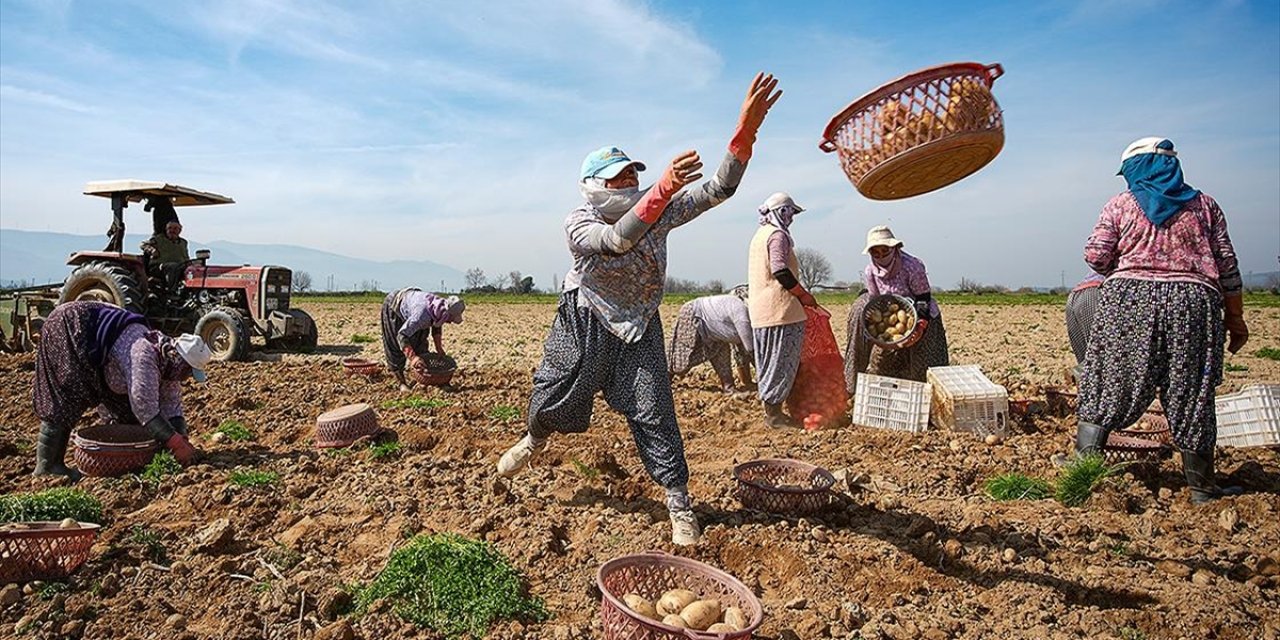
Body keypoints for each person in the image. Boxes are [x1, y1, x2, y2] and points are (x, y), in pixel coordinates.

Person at [496, 72, 783, 546]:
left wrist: (744, 133)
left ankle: (678, 501)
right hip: (585, 317)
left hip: (639, 323)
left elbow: (719, 189)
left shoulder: (662, 206)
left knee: (654, 408)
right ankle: (535, 439)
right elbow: (616, 240)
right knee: (556, 394)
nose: (631, 180)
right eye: (620, 175)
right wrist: (660, 190)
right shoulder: (579, 221)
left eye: (635, 174)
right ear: (594, 184)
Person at [1075, 137, 1247, 504]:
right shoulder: (1205, 206)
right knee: (1192, 391)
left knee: (1109, 379)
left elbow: (1096, 254)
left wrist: (1123, 267)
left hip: (1129, 302)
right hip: (1193, 303)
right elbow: (1228, 267)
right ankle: (1201, 488)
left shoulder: (1121, 204)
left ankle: (1083, 468)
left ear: (1138, 170)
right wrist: (1236, 318)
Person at [33, 301, 210, 480]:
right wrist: (176, 444)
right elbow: (144, 408)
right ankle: (48, 467)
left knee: (128, 415)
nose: (187, 377)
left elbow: (172, 404)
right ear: (177, 358)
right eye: (188, 371)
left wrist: (182, 437)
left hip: (103, 356)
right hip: (72, 328)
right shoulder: (144, 353)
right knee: (66, 396)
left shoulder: (168, 363)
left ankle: (125, 461)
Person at [843, 225, 949, 394]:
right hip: (892, 318)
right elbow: (876, 302)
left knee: (923, 368)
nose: (880, 256)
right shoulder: (870, 271)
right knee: (880, 363)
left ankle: (928, 405)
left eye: (885, 251)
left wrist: (920, 326)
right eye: (875, 253)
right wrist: (878, 336)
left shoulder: (912, 266)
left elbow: (923, 298)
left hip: (922, 315)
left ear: (895, 248)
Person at [747, 192, 817, 428]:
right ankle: (775, 416)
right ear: (781, 212)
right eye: (790, 213)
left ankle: (774, 411)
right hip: (780, 310)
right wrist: (803, 295)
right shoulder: (778, 236)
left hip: (761, 311)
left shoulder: (760, 235)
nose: (792, 218)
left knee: (769, 362)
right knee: (781, 361)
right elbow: (781, 272)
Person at [667, 286, 754, 394]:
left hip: (717, 332)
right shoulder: (741, 310)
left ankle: (728, 387)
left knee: (723, 357)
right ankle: (665, 381)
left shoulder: (744, 310)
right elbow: (750, 348)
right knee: (680, 360)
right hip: (694, 316)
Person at [380, 288, 465, 390]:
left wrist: (439, 348)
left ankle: (422, 379)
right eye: (450, 319)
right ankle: (401, 383)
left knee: (421, 344)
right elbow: (402, 335)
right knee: (395, 347)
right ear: (447, 315)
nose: (450, 322)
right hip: (394, 306)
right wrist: (413, 357)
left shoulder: (438, 308)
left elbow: (437, 324)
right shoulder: (421, 316)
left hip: (415, 303)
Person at [1064, 272, 1105, 380]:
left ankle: (1082, 382)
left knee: (1085, 356)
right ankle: (1079, 374)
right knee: (1102, 357)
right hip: (1098, 292)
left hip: (1076, 294)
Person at [141, 221, 191, 295]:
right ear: (166, 229)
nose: (172, 230)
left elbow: (185, 256)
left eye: (175, 228)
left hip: (180, 266)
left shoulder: (183, 242)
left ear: (179, 230)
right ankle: (172, 292)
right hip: (159, 267)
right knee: (173, 267)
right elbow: (143, 244)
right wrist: (152, 250)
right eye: (169, 228)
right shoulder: (158, 239)